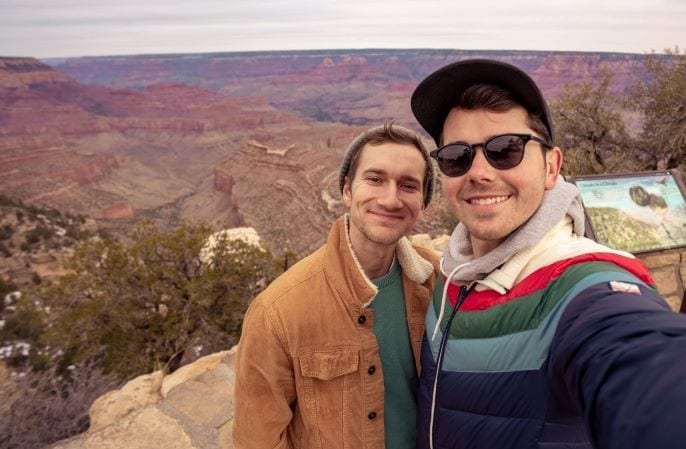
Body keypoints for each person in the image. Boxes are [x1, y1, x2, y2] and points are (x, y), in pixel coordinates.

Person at [410, 59, 686, 449]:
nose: (479, 173)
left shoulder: (580, 285)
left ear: (551, 166)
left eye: (505, 149)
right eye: (457, 155)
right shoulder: (452, 275)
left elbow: (639, 359)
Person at [233, 123, 439, 449]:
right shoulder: (278, 311)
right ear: (346, 190)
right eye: (375, 179)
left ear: (422, 203)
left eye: (408, 185)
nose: (390, 198)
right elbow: (257, 439)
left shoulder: (436, 280)